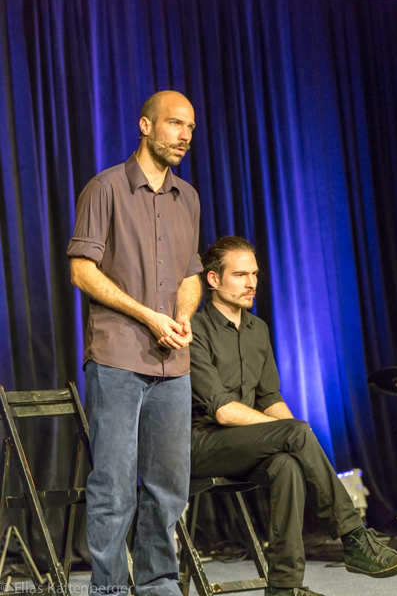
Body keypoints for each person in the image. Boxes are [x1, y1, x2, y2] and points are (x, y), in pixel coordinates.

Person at [189, 236, 397, 596]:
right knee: (296, 434)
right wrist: (291, 432)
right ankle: (354, 537)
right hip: (201, 445)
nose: (251, 283)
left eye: (254, 274)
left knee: (287, 463)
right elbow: (222, 411)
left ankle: (284, 587)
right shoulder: (195, 329)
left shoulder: (258, 330)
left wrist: (295, 436)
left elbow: (269, 397)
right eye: (240, 275)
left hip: (244, 444)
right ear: (213, 279)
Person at [67, 91, 202, 596]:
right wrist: (148, 315)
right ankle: (108, 588)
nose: (184, 136)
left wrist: (182, 317)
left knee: (169, 488)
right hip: (118, 359)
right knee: (115, 487)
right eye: (175, 124)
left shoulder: (188, 197)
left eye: (190, 127)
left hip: (174, 364)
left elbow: (191, 273)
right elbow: (82, 271)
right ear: (146, 126)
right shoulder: (104, 188)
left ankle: (158, 583)